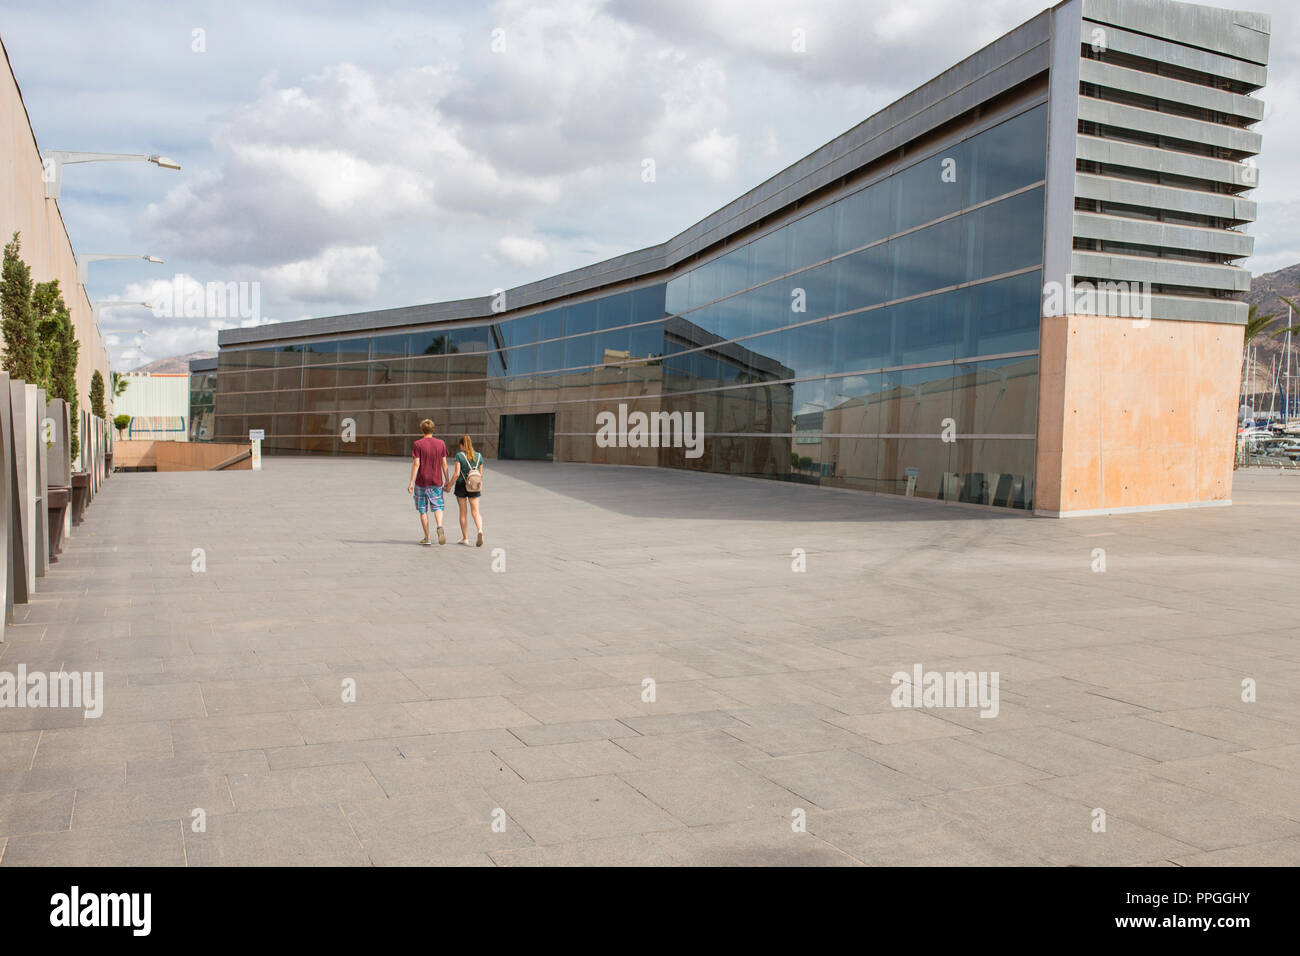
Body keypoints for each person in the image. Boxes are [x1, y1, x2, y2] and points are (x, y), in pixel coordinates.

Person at [407, 419, 448, 545]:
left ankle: (427, 537)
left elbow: (416, 464)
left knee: (423, 509)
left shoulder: (418, 444)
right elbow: (444, 464)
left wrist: (411, 482)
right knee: (438, 505)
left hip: (422, 481)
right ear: (433, 429)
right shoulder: (441, 443)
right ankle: (439, 526)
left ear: (421, 430)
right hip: (436, 480)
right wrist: (447, 480)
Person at [447, 434, 484, 547]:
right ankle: (480, 531)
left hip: (461, 485)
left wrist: (449, 486)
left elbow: (457, 473)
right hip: (474, 485)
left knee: (463, 512)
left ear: (461, 445)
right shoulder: (479, 456)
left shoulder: (459, 455)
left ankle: (465, 538)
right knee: (475, 511)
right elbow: (480, 474)